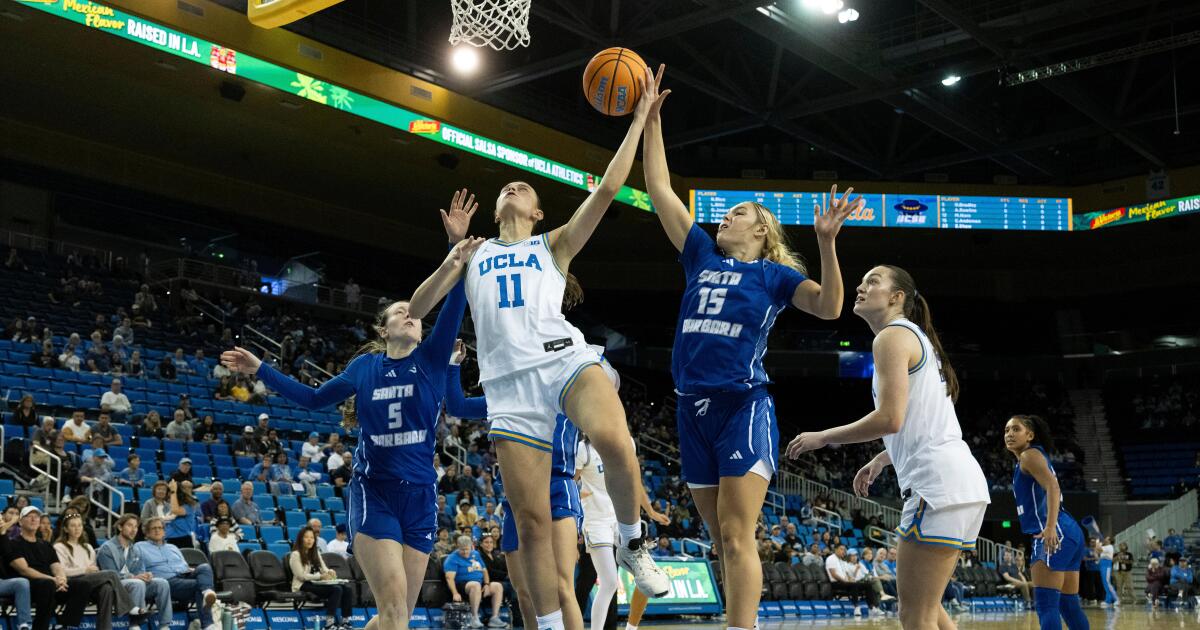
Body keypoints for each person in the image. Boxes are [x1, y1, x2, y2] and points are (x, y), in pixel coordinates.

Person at [414, 84, 672, 630]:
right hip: (507, 388)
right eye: (505, 184)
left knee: (615, 441)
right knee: (530, 524)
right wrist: (451, 256)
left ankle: (632, 543)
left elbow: (607, 189)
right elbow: (416, 308)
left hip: (562, 361)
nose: (511, 186)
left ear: (536, 211)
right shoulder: (473, 254)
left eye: (522, 187)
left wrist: (640, 120)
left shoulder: (551, 245)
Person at [639, 66, 861, 630]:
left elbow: (831, 307)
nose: (726, 215)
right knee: (721, 541)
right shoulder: (699, 256)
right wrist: (650, 120)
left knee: (738, 535)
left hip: (742, 406)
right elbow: (659, 189)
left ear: (761, 231)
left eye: (738, 212)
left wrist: (828, 243)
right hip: (691, 409)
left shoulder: (772, 276)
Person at [219, 226, 479, 630]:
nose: (409, 315)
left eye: (414, 313)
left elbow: (454, 302)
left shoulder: (430, 361)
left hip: (421, 499)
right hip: (375, 494)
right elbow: (311, 399)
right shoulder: (364, 368)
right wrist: (262, 369)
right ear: (382, 329)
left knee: (397, 616)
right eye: (399, 311)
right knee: (394, 612)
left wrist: (456, 249)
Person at [789, 265, 991, 630]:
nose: (860, 287)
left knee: (914, 617)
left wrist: (823, 436)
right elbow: (922, 420)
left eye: (873, 282)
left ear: (897, 298)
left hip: (937, 486)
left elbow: (890, 418)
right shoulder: (916, 338)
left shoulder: (891, 337)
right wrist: (883, 459)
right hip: (961, 484)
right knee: (931, 611)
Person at [1002, 415, 1088, 630]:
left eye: (1016, 429)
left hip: (1053, 529)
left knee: (1046, 605)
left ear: (1030, 435)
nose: (1009, 434)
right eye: (1006, 430)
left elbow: (1053, 488)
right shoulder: (1032, 456)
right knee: (1068, 605)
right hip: (1069, 530)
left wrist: (1050, 527)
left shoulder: (1029, 456)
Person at [576, 434, 671, 630]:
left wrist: (651, 511)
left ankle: (631, 627)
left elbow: (634, 480)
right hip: (596, 522)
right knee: (609, 582)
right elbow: (569, 482)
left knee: (646, 578)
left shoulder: (626, 441)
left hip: (622, 517)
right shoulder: (583, 449)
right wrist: (577, 498)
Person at [52, 512, 134, 630]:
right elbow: (62, 571)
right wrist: (85, 570)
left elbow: (94, 570)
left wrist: (90, 571)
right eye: (73, 526)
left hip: (89, 582)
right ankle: (130, 608)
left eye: (80, 525)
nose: (77, 529)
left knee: (107, 588)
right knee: (111, 574)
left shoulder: (88, 547)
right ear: (65, 529)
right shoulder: (59, 547)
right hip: (72, 583)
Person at [135, 517, 217, 628]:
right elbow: (139, 569)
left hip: (184, 575)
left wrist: (190, 570)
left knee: (204, 567)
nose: (157, 530)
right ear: (147, 532)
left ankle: (207, 592)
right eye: (153, 528)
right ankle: (208, 624)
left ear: (164, 531)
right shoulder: (139, 547)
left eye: (160, 528)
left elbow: (184, 565)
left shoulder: (173, 547)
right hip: (167, 581)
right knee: (199, 586)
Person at [97, 514, 173, 630]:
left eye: (136, 527)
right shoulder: (107, 548)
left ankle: (164, 625)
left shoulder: (135, 549)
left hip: (135, 584)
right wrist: (134, 576)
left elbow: (140, 571)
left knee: (162, 583)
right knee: (137, 583)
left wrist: (147, 575)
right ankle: (135, 624)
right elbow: (111, 575)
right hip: (115, 586)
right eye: (129, 526)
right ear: (120, 527)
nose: (134, 530)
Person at [290, 526, 354, 630]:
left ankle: (345, 621)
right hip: (303, 585)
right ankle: (329, 623)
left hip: (317, 583)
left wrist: (330, 572)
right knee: (336, 589)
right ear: (301, 539)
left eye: (312, 537)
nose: (310, 539)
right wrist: (320, 576)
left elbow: (324, 569)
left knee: (347, 589)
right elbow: (301, 576)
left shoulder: (316, 553)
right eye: (306, 537)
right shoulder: (295, 555)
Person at [444, 535, 504, 629]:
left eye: (467, 549)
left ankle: (494, 618)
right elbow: (449, 578)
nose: (465, 552)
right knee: (475, 585)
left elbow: (484, 571)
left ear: (471, 546)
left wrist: (487, 584)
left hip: (479, 584)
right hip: (462, 584)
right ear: (457, 547)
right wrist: (455, 593)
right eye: (462, 549)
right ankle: (474, 617)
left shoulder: (475, 554)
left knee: (497, 586)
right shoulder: (452, 558)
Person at [164, 479, 200, 548]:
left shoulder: (190, 505)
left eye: (189, 487)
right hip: (169, 539)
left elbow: (175, 510)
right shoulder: (170, 504)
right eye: (183, 487)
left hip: (183, 540)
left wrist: (173, 491)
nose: (186, 489)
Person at [1097, 535, 1118, 608]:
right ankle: (1108, 600)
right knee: (1105, 583)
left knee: (1107, 583)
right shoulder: (1105, 546)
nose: (1105, 539)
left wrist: (1098, 542)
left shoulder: (1109, 547)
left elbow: (1099, 549)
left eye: (1107, 538)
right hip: (1102, 564)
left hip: (1107, 565)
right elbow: (1097, 551)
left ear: (1109, 541)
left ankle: (1116, 599)